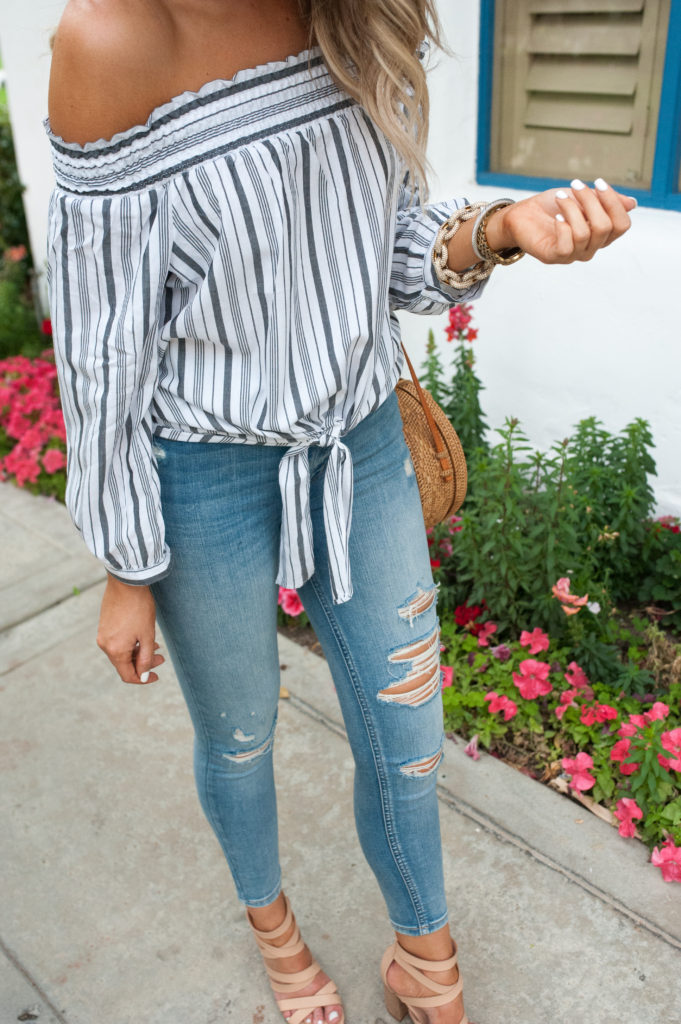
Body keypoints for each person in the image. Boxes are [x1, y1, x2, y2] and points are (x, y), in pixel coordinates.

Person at [45, 1, 635, 1021]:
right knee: (238, 736)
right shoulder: (110, 43)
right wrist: (126, 564)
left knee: (407, 734)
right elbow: (103, 350)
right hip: (202, 472)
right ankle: (277, 936)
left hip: (361, 441)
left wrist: (498, 230)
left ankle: (424, 953)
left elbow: (398, 250)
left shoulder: (354, 14)